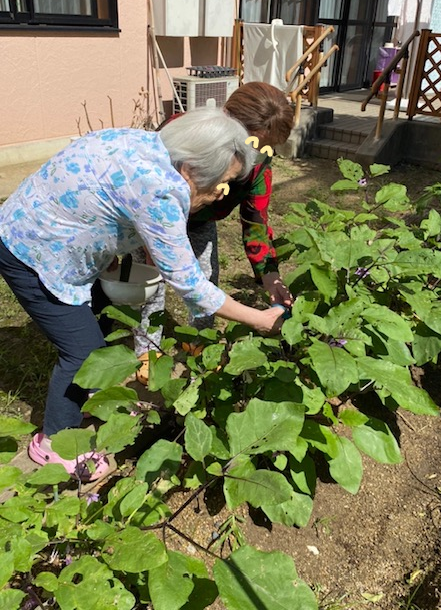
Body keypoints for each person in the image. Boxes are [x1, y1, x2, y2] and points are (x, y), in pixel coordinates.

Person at [0, 107, 287, 481]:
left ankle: (85, 397)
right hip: (31, 251)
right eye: (222, 180)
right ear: (191, 168)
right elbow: (190, 284)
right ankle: (55, 444)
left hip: (43, 226)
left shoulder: (147, 143)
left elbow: (94, 194)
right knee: (82, 349)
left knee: (102, 317)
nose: (223, 191)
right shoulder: (163, 189)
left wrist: (107, 257)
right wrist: (260, 319)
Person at [134, 82, 295, 384]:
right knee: (152, 283)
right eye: (251, 146)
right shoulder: (181, 133)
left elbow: (256, 218)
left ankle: (200, 342)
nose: (257, 156)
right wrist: (153, 240)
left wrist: (269, 274)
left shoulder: (258, 166)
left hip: (200, 218)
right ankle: (147, 350)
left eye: (266, 150)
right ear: (226, 122)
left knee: (205, 279)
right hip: (155, 213)